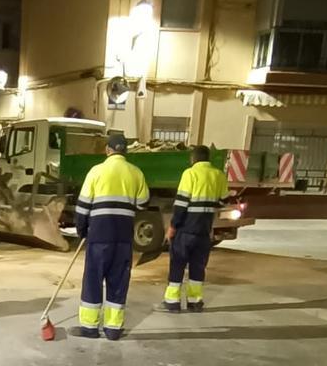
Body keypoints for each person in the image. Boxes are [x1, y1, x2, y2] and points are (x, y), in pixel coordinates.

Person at [73, 130, 150, 340]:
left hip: (99, 236)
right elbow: (144, 203)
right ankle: (113, 329)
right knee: (118, 281)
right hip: (123, 238)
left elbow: (82, 207)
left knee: (93, 279)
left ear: (107, 150)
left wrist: (81, 230)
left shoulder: (96, 172)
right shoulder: (136, 173)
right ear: (125, 151)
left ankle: (89, 327)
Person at [164, 145, 229, 313]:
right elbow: (223, 201)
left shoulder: (190, 174)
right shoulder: (218, 175)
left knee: (178, 264)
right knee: (198, 267)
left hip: (186, 230)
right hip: (204, 231)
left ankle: (172, 302)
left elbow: (181, 204)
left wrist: (172, 226)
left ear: (193, 158)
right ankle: (194, 302)